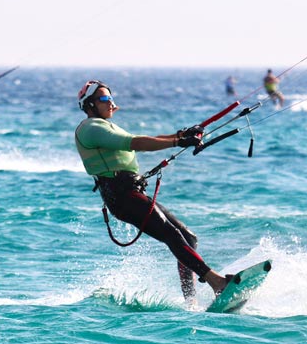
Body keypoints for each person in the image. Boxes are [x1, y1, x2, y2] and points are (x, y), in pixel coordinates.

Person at [74, 80, 230, 302]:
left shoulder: (105, 126)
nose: (111, 103)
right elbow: (135, 142)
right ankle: (217, 282)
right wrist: (178, 141)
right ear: (89, 105)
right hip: (120, 196)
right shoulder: (91, 128)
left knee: (188, 237)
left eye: (111, 98)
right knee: (172, 235)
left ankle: (191, 300)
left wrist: (182, 134)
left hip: (132, 192)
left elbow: (146, 140)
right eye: (104, 99)